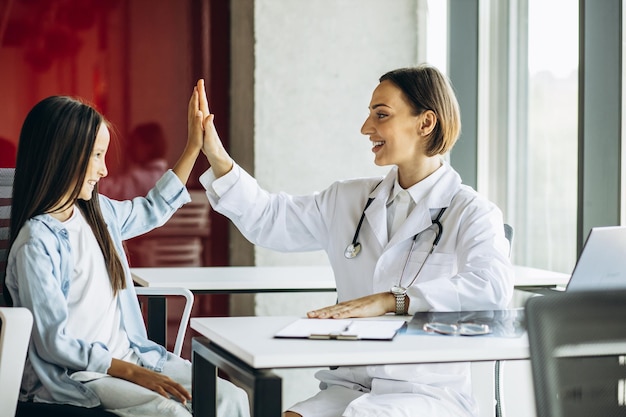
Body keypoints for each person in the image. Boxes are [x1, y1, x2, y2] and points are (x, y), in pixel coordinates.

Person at [197, 65, 514, 417]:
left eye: (381, 115)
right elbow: (269, 218)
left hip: (425, 393)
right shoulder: (348, 200)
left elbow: (492, 288)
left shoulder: (472, 212)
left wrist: (391, 301)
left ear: (425, 123)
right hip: (352, 383)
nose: (366, 128)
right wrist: (217, 156)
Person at [3, 80, 250, 417]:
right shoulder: (37, 242)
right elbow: (53, 342)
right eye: (97, 156)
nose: (104, 170)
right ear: (63, 158)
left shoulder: (100, 213)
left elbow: (153, 208)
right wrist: (133, 374)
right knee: (173, 413)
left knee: (230, 398)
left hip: (136, 355)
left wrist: (194, 146)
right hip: (84, 375)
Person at [99, 122, 169, 200]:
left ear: (148, 147)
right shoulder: (165, 176)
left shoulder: (140, 179)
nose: (129, 148)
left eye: (134, 143)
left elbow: (107, 190)